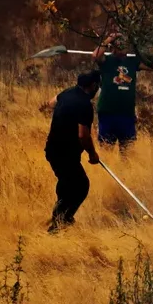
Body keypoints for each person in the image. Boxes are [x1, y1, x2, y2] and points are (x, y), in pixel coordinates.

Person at [42, 71, 102, 233]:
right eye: (98, 86)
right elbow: (83, 135)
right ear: (94, 86)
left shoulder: (67, 92)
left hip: (52, 149)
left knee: (66, 182)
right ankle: (61, 222)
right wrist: (92, 154)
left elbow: (51, 103)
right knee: (81, 186)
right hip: (66, 153)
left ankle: (59, 215)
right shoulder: (85, 105)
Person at [93, 31, 142, 150]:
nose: (122, 48)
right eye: (119, 45)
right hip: (108, 113)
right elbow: (96, 55)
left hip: (127, 114)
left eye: (125, 45)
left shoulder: (133, 61)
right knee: (106, 149)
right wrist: (110, 38)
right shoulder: (106, 61)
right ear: (113, 47)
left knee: (128, 152)